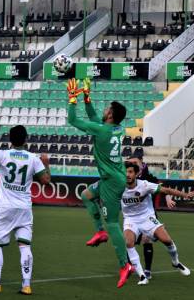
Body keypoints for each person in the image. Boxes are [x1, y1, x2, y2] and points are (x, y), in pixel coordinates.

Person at [66, 77, 133, 288]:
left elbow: (73, 121)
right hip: (112, 177)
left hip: (111, 182)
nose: (104, 110)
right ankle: (99, 231)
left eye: (107, 109)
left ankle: (125, 265)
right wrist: (87, 97)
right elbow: (96, 118)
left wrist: (72, 99)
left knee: (113, 222)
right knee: (86, 195)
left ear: (110, 115)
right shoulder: (116, 129)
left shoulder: (103, 130)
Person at [0, 119, 51, 295]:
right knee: (24, 246)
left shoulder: (3, 154)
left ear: (10, 139)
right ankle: (26, 285)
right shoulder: (33, 159)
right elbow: (46, 181)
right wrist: (46, 163)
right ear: (26, 140)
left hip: (6, 207)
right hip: (24, 208)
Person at [121, 162, 193, 285]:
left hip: (147, 218)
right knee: (128, 243)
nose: (127, 175)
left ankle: (175, 262)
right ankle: (142, 276)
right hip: (130, 219)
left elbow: (166, 189)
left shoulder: (144, 185)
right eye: (125, 172)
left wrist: (185, 195)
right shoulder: (118, 186)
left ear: (136, 174)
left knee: (167, 240)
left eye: (130, 172)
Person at [127, 155, 175, 279]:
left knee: (146, 240)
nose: (132, 164)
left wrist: (168, 197)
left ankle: (147, 270)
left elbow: (162, 187)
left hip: (148, 215)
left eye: (135, 162)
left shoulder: (148, 178)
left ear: (141, 164)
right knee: (129, 242)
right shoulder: (126, 177)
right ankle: (128, 267)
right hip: (132, 216)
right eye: (130, 162)